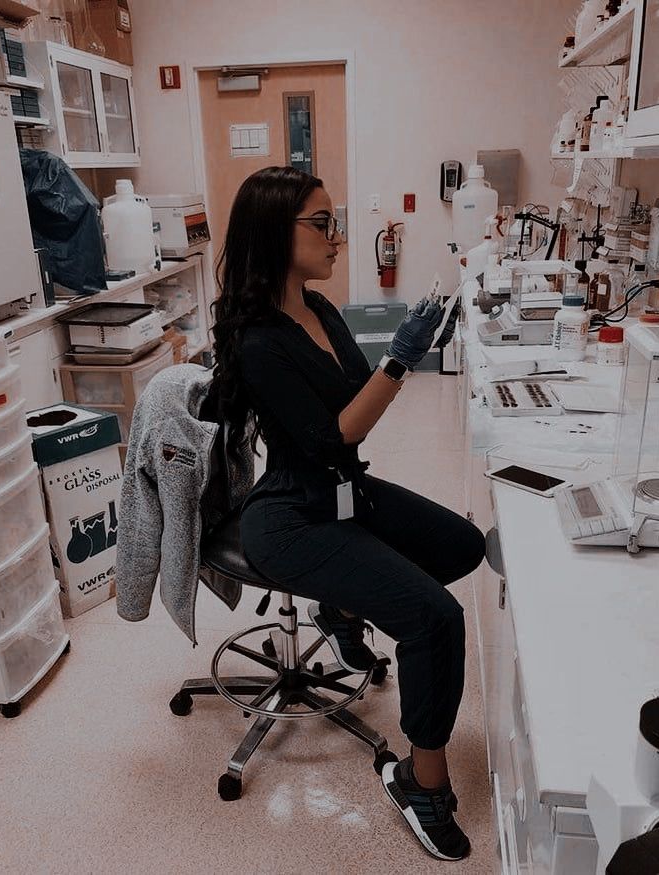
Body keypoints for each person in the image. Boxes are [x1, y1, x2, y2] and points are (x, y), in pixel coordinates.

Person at [211, 166, 485, 862]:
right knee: (434, 618)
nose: (338, 237)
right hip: (293, 517)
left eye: (334, 221)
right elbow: (339, 431)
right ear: (279, 232)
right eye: (323, 223)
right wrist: (402, 359)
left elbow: (359, 391)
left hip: (343, 493)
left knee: (461, 545)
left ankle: (339, 608)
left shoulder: (320, 306)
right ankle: (421, 784)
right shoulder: (259, 339)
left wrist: (398, 354)